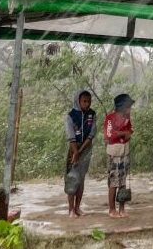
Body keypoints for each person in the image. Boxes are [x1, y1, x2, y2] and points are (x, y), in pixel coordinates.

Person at [64, 89, 96, 218]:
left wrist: (81, 151)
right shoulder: (70, 116)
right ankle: (71, 209)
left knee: (81, 179)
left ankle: (78, 207)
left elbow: (92, 133)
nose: (87, 104)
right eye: (84, 101)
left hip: (86, 149)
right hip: (73, 148)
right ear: (78, 101)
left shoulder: (92, 114)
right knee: (72, 178)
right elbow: (71, 135)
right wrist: (75, 152)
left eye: (89, 101)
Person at [104, 93, 135, 218]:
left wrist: (125, 133)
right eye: (128, 106)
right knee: (113, 182)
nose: (130, 109)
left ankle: (122, 208)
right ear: (121, 107)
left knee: (123, 181)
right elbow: (108, 136)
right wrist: (123, 133)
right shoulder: (110, 118)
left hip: (124, 152)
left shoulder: (127, 118)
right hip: (114, 153)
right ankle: (112, 209)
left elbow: (130, 131)